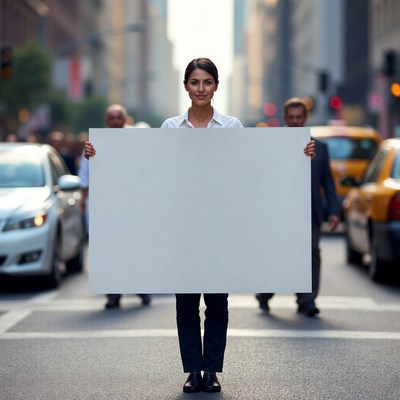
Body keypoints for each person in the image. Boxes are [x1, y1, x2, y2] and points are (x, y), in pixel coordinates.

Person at [84, 59, 316, 393]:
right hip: (183, 229)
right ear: (186, 86)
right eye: (195, 82)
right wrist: (100, 155)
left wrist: (301, 153)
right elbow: (148, 170)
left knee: (218, 304)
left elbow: (252, 170)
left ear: (216, 86)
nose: (201, 89)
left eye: (207, 82)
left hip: (220, 229)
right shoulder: (170, 127)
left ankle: (212, 369)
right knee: (187, 304)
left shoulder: (232, 126)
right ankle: (193, 370)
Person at [255, 97, 339, 317]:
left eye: (298, 117)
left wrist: (333, 212)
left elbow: (328, 183)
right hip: (279, 213)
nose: (294, 121)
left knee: (311, 253)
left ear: (305, 118)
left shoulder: (320, 148)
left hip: (310, 212)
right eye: (290, 118)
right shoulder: (272, 145)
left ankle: (307, 300)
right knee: (276, 255)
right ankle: (264, 293)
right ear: (285, 118)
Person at [78, 104, 151, 309]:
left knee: (133, 248)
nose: (116, 121)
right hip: (107, 206)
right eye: (112, 118)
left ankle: (142, 288)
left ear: (125, 119)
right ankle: (113, 293)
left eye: (119, 117)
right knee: (108, 250)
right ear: (106, 121)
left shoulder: (137, 140)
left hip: (132, 205)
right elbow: (85, 175)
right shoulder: (95, 143)